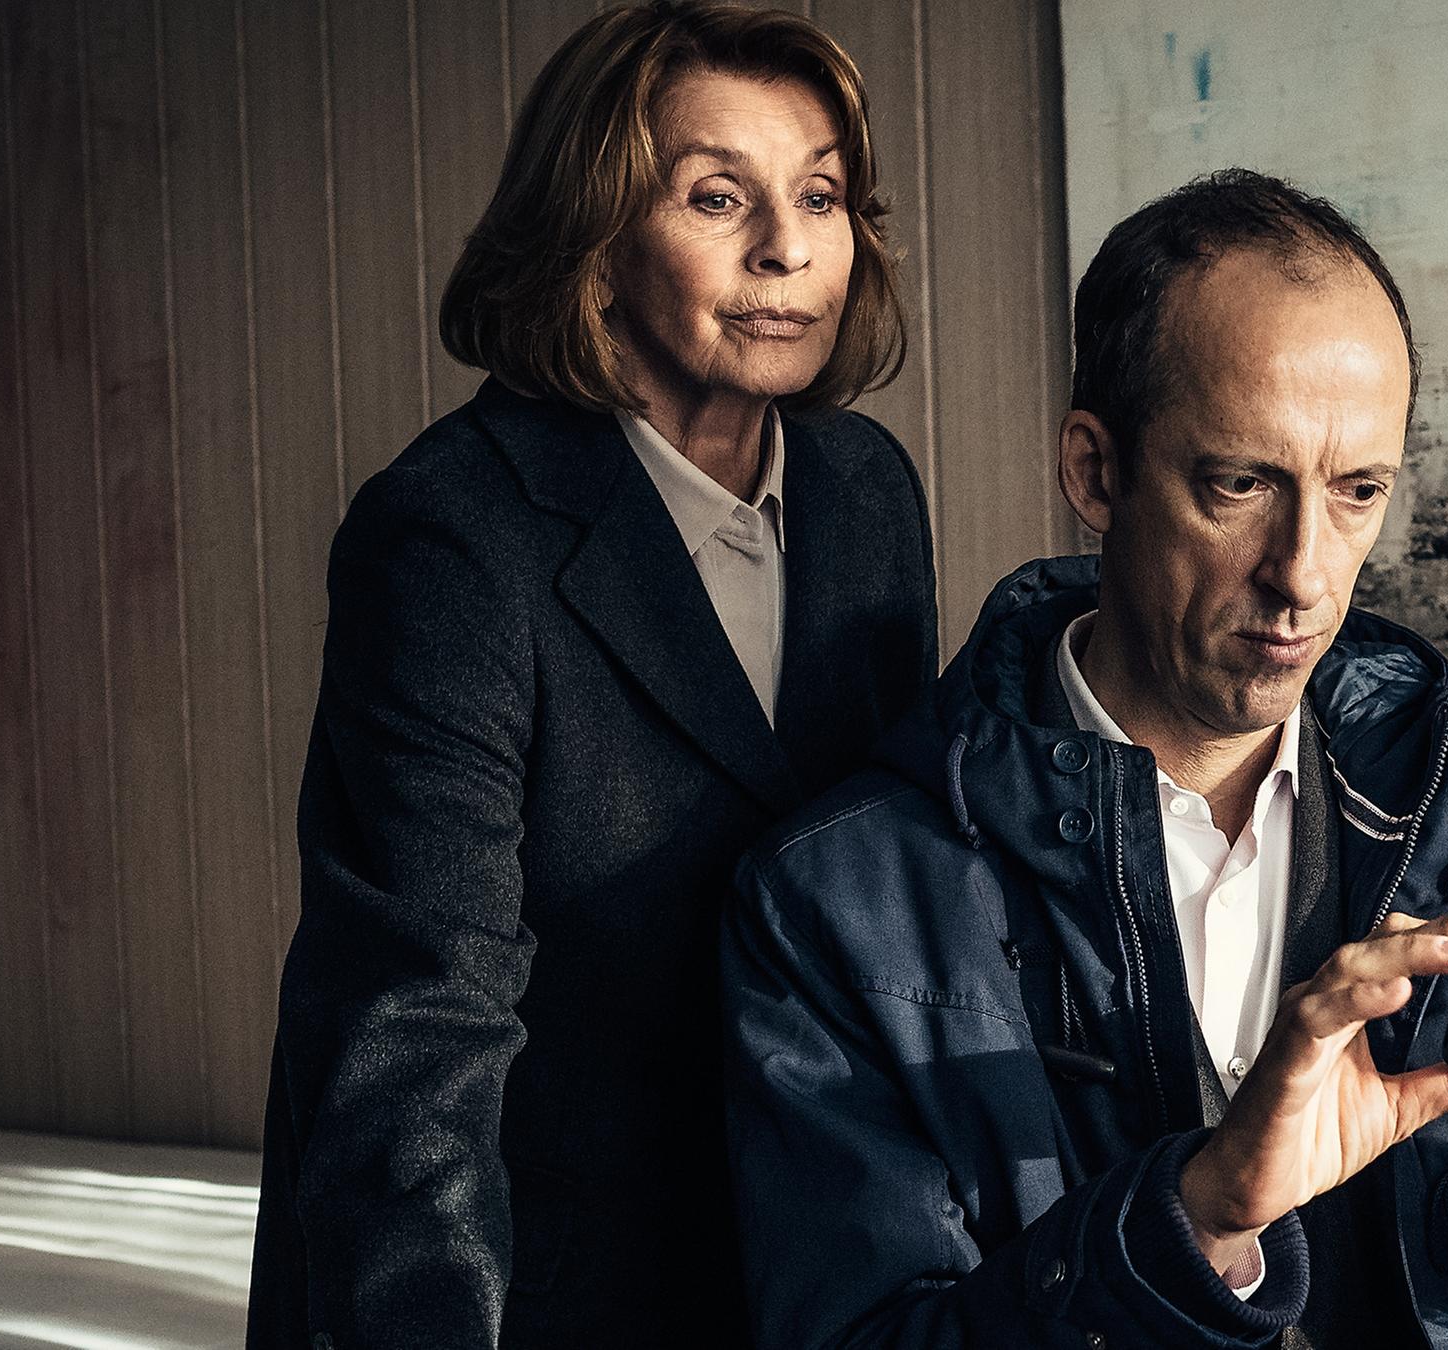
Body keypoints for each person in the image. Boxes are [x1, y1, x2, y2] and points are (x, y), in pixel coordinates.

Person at [721, 169, 1448, 1350]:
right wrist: (1199, 1221)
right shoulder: (837, 903)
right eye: (1241, 484)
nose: (1304, 572)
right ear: (1095, 471)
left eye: (1357, 492)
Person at [246, 6, 936, 1346]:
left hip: (817, 1252)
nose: (787, 247)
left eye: (820, 196)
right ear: (597, 239)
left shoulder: (866, 491)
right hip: (540, 1276)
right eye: (717, 197)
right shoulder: (452, 535)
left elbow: (888, 888)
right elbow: (414, 1018)